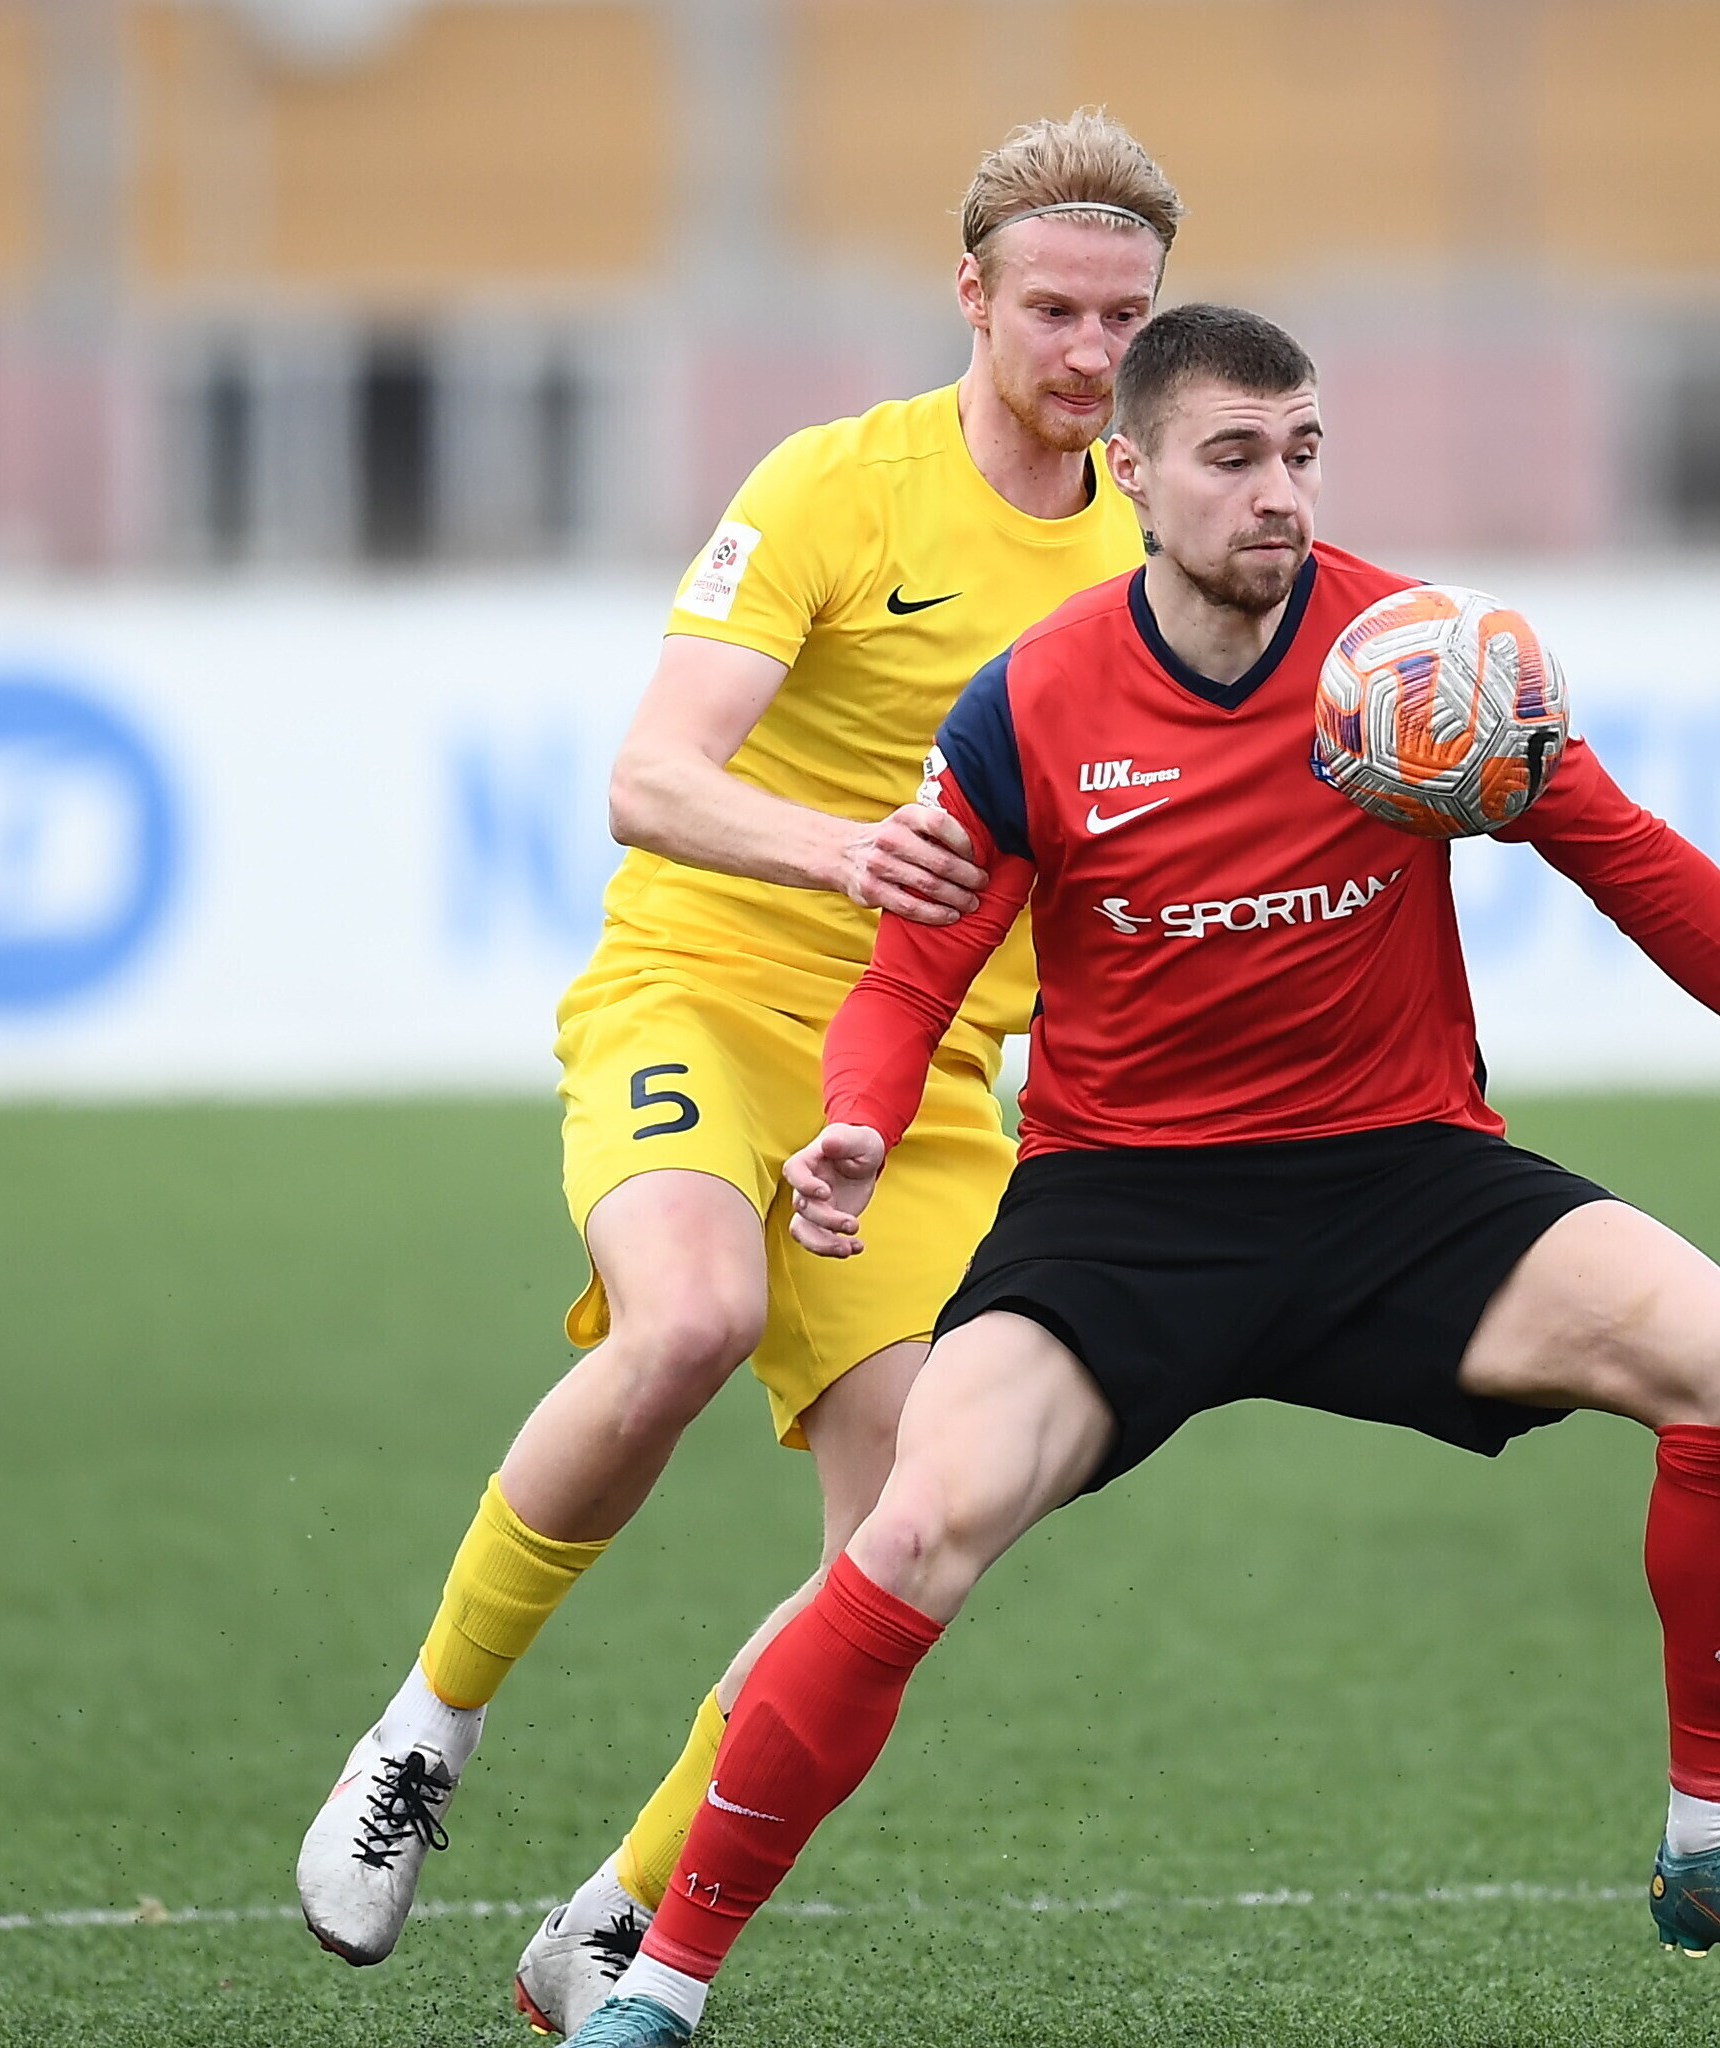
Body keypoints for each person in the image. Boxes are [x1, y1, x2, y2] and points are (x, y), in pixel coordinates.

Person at [558, 303, 1720, 2047]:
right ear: (1133, 471)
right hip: (1126, 1212)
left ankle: (1714, 1847)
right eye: (1234, 457)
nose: (1278, 493)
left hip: (1398, 1181)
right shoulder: (1031, 701)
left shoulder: (1421, 662)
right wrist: (863, 1117)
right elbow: (908, 976)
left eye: (1303, 453)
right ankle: (659, 1983)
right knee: (913, 1529)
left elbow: (1633, 858)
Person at [292, 115, 1178, 2027]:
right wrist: (849, 855)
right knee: (689, 1316)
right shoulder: (838, 485)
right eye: (1055, 309)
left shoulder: (1154, 544)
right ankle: (423, 1733)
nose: (1092, 353)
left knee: (910, 1547)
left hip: (921, 1083)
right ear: (970, 294)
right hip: (703, 990)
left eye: (1127, 317)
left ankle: (621, 1905)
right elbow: (650, 778)